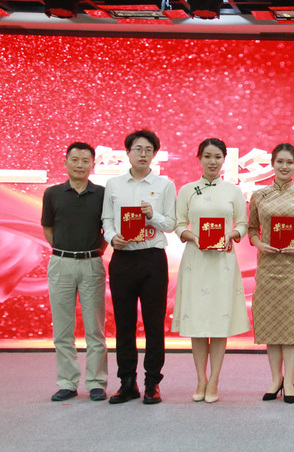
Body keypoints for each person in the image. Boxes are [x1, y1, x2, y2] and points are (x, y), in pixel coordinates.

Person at [171, 138, 251, 403]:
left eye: (217, 156)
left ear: (224, 159)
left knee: (218, 322)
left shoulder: (233, 191)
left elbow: (243, 223)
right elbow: (179, 224)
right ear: (199, 158)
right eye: (207, 156)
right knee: (197, 322)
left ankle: (214, 379)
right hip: (196, 261)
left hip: (222, 263)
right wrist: (193, 237)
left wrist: (231, 236)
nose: (212, 161)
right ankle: (200, 379)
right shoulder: (187, 190)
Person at [102, 129, 176, 405]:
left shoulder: (165, 185)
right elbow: (107, 220)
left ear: (155, 154)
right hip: (123, 259)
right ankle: (127, 382)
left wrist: (152, 215)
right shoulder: (114, 184)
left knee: (154, 324)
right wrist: (113, 238)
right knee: (124, 323)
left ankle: (152, 382)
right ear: (128, 152)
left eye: (148, 150)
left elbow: (171, 223)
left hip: (152, 258)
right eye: (137, 149)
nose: (143, 154)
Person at [249, 143, 294, 404]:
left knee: (291, 323)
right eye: (280, 162)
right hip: (268, 267)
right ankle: (275, 379)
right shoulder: (259, 195)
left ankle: (289, 381)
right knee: (271, 322)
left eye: (289, 162)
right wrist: (258, 243)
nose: (284, 166)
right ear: (272, 164)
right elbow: (252, 229)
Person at [41, 142, 108, 402]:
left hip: (92, 263)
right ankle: (67, 382)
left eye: (85, 160)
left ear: (93, 164)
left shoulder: (102, 194)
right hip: (61, 263)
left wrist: (95, 251)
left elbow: (107, 230)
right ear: (66, 162)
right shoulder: (52, 193)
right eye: (75, 160)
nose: (80, 165)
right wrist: (64, 251)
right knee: (62, 328)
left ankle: (96, 382)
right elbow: (48, 228)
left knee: (95, 328)